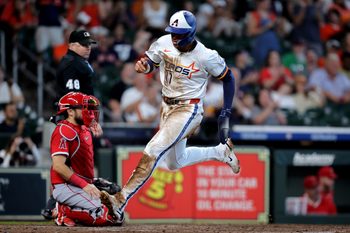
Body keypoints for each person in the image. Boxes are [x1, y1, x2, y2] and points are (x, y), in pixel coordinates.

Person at [100, 10, 240, 222]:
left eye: (179, 34)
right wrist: (143, 65)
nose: (174, 37)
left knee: (153, 149)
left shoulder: (206, 55)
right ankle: (220, 153)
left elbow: (228, 78)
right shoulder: (164, 41)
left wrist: (226, 110)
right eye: (172, 32)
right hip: (166, 105)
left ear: (191, 34)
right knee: (175, 162)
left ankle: (120, 200)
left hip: (189, 109)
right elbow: (150, 60)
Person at [49, 92, 119, 226]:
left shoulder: (83, 128)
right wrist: (85, 185)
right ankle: (63, 210)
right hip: (65, 186)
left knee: (117, 209)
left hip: (80, 185)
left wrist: (93, 182)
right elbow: (58, 166)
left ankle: (70, 210)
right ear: (70, 111)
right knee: (107, 215)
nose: (89, 112)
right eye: (84, 108)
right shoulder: (63, 130)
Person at [56, 29, 97, 98]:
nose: (88, 47)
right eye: (84, 44)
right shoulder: (72, 63)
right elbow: (72, 96)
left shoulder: (78, 60)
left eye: (89, 44)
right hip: (78, 107)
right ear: (72, 45)